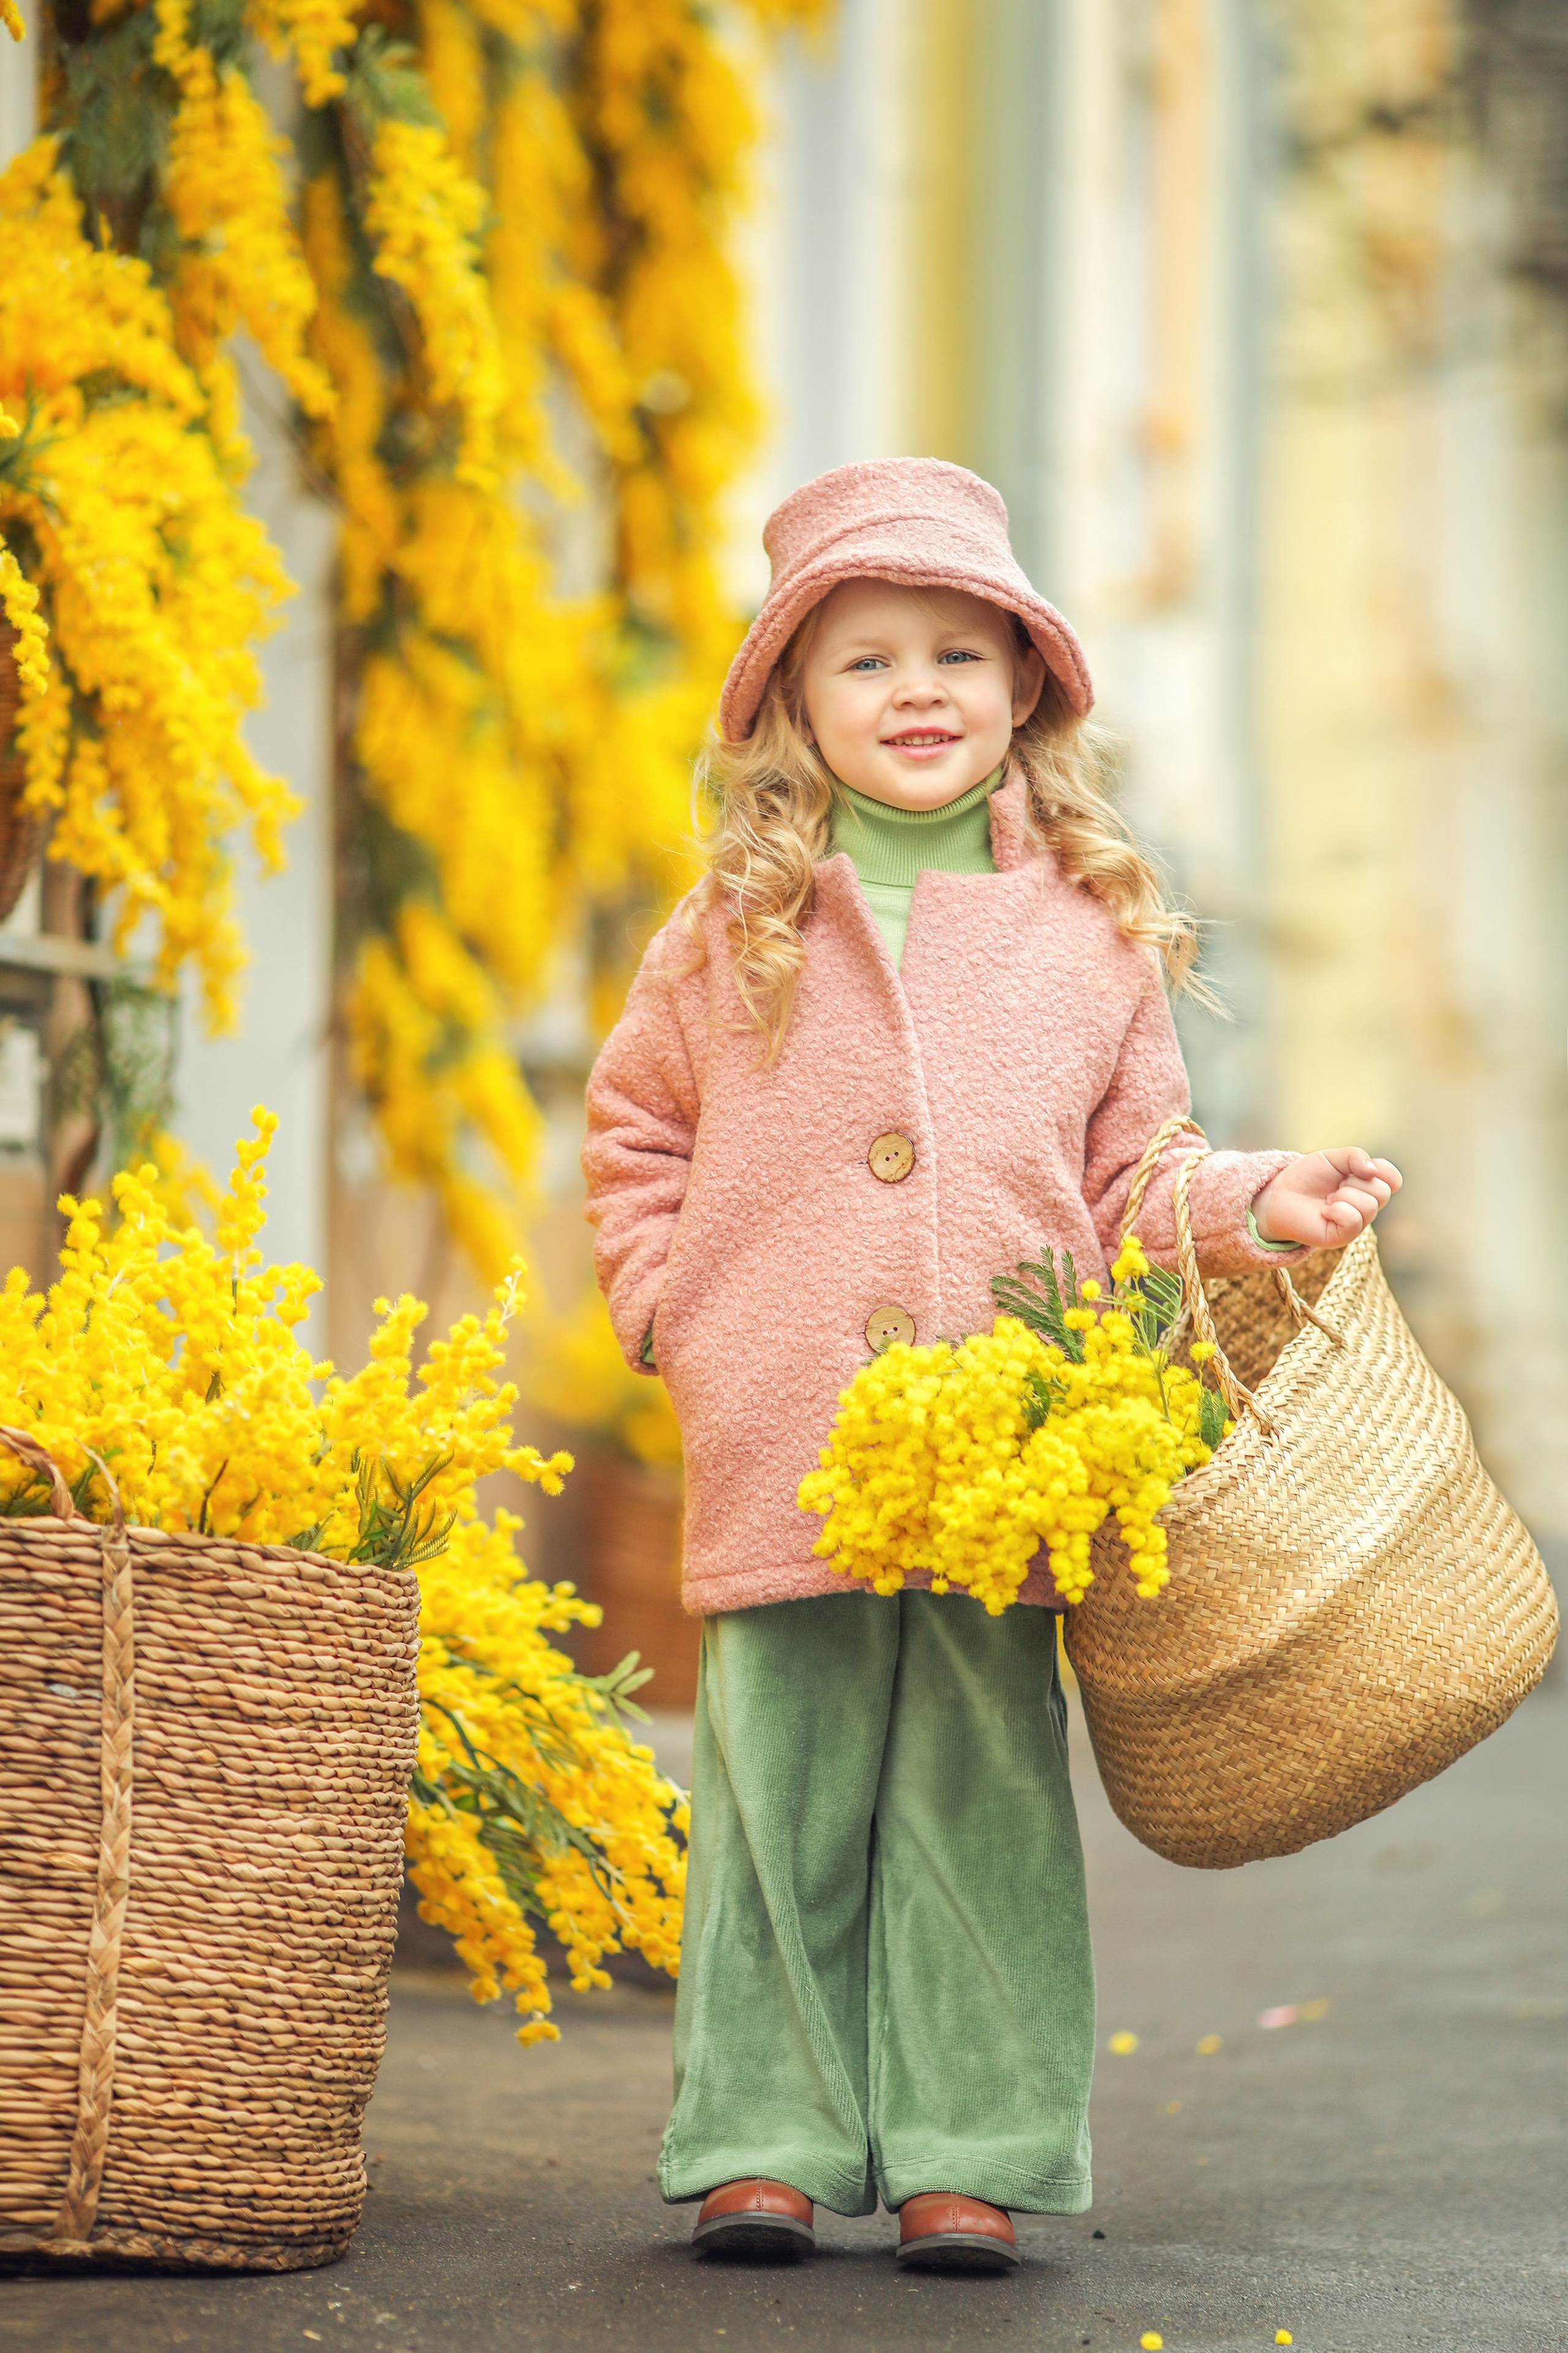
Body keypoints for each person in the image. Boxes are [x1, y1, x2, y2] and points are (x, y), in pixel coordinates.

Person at [582, 458, 1400, 2273]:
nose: (920, 689)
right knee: (777, 1790)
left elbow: (1137, 1180)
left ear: (1028, 680)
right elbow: (635, 1132)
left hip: (1005, 1459)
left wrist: (1270, 1199)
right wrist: (672, 1312)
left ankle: (975, 2141)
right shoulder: (732, 926)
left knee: (978, 1794)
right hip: (783, 1427)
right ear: (794, 698)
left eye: (959, 648)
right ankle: (762, 2137)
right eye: (866, 659)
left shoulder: (1087, 932)